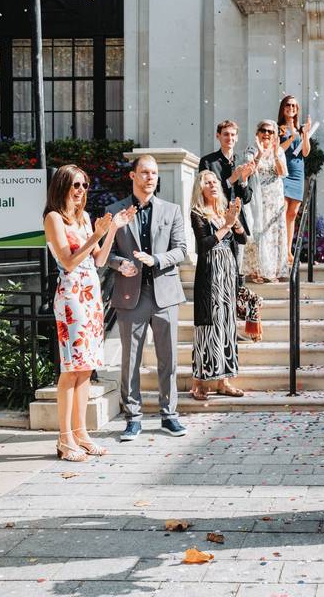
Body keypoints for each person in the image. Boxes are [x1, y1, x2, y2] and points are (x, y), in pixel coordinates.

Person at [44, 165, 134, 461]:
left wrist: (112, 230)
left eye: (84, 184)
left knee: (85, 370)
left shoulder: (83, 218)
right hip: (71, 297)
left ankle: (81, 433)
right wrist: (95, 235)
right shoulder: (54, 218)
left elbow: (99, 261)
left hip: (91, 295)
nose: (82, 190)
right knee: (71, 368)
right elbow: (68, 262)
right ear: (63, 187)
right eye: (76, 185)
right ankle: (64, 438)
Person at [106, 155, 188, 442]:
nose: (150, 177)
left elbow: (181, 250)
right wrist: (120, 264)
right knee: (130, 360)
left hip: (165, 293)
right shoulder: (114, 211)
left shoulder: (172, 210)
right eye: (144, 172)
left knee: (169, 359)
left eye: (153, 173)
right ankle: (133, 418)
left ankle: (169, 415)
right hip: (131, 295)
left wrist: (156, 259)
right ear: (132, 176)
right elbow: (105, 254)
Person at [189, 170, 247, 401]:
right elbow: (204, 245)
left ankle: (224, 381)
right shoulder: (197, 213)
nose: (213, 186)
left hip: (227, 274)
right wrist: (226, 226)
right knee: (207, 328)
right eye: (207, 183)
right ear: (200, 188)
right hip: (209, 275)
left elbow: (242, 239)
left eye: (215, 182)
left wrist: (236, 223)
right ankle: (199, 381)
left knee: (227, 326)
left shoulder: (225, 211)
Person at [241, 119, 289, 283]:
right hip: (257, 196)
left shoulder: (280, 151)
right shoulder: (251, 149)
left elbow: (282, 173)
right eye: (263, 130)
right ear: (257, 132)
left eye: (270, 131)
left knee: (273, 232)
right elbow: (248, 170)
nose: (266, 134)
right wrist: (260, 153)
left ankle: (273, 270)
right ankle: (256, 270)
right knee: (258, 230)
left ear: (275, 134)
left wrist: (275, 154)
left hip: (274, 197)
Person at [199, 119, 256, 238]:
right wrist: (231, 180)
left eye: (232, 134)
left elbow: (246, 198)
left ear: (237, 138)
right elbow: (205, 193)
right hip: (215, 220)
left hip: (238, 221)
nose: (229, 138)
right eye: (225, 134)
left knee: (238, 256)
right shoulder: (207, 161)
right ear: (218, 136)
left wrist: (244, 179)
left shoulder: (243, 160)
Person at [277, 95, 312, 264]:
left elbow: (305, 152)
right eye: (288, 105)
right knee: (282, 212)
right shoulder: (278, 129)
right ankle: (281, 250)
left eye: (294, 106)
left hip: (298, 172)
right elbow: (277, 150)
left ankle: (289, 250)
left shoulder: (300, 129)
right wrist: (290, 137)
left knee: (292, 214)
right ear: (283, 108)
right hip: (284, 171)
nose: (291, 108)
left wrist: (304, 134)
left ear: (297, 109)